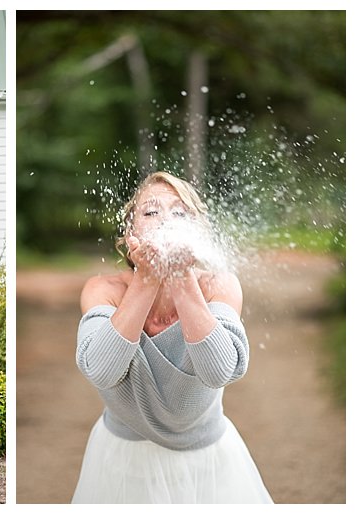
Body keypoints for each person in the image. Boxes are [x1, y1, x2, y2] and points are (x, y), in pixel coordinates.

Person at [71, 171, 273, 503]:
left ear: (198, 232)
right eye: (151, 212)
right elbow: (101, 371)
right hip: (121, 463)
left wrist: (180, 278)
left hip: (208, 464)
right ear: (130, 231)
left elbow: (220, 371)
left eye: (180, 213)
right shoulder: (103, 289)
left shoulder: (218, 285)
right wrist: (147, 280)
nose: (166, 219)